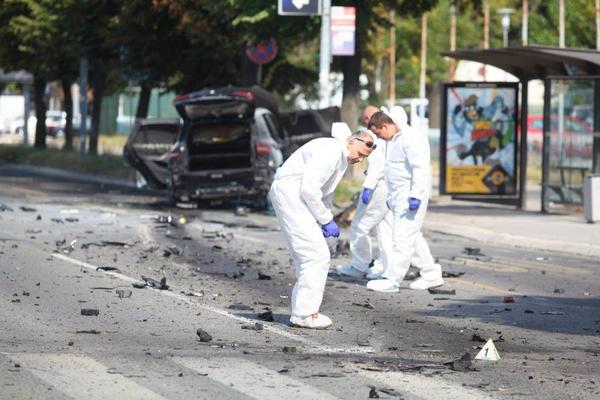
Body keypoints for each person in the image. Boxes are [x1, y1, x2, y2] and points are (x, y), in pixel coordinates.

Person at [269, 124, 375, 328]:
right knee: (315, 255)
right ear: (352, 142)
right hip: (291, 195)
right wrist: (326, 219)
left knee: (309, 255)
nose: (360, 159)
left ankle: (303, 311)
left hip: (294, 196)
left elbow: (324, 193)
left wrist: (325, 218)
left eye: (364, 157)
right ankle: (305, 314)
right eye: (360, 154)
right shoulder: (331, 150)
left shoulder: (339, 156)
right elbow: (309, 189)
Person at [366, 107, 444, 292]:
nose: (379, 138)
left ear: (386, 126)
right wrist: (389, 196)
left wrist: (416, 195)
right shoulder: (393, 139)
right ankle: (431, 274)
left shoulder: (411, 138)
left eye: (378, 133)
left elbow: (420, 169)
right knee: (413, 237)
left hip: (410, 196)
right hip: (398, 196)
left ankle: (392, 280)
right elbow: (393, 169)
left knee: (401, 239)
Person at [336, 106, 393, 280]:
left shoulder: (374, 137)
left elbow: (377, 164)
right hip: (390, 186)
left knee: (360, 225)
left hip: (378, 187)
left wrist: (368, 186)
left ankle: (359, 265)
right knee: (385, 229)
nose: (367, 124)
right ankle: (387, 268)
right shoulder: (389, 135)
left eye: (367, 120)